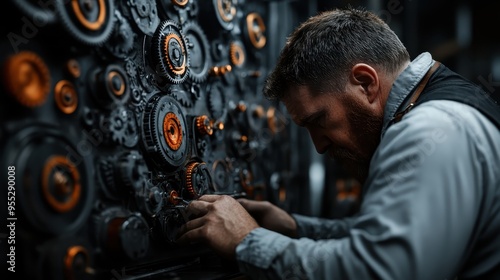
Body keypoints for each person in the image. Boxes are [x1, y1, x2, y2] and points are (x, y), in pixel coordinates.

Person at [177, 6, 500, 279]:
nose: (318, 146)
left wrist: (248, 241)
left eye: (318, 121)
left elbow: (379, 270)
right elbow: (386, 237)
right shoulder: (443, 112)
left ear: (365, 83)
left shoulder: (428, 130)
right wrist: (296, 228)